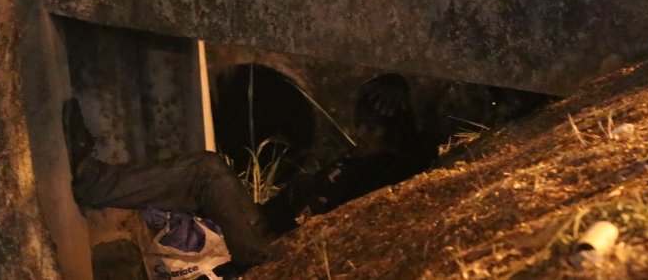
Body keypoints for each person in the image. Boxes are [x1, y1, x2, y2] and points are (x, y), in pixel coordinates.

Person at [63, 74, 435, 273]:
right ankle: (100, 181)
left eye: (371, 127)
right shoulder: (363, 155)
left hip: (277, 251)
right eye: (360, 124)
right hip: (268, 227)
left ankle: (94, 181)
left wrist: (401, 92)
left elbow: (426, 154)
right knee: (199, 179)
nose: (359, 133)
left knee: (206, 171)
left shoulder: (392, 168)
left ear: (396, 131)